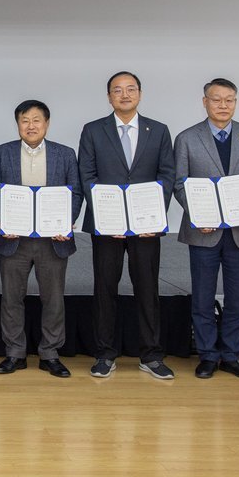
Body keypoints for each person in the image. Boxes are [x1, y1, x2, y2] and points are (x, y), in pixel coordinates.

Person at [78, 71, 176, 379]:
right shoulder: (93, 130)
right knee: (104, 288)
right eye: (117, 90)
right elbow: (87, 176)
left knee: (147, 289)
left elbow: (167, 175)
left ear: (140, 94)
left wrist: (154, 217)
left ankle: (151, 355)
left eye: (130, 89)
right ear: (109, 97)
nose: (125, 95)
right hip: (107, 227)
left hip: (145, 227)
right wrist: (108, 218)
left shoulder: (158, 130)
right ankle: (105, 354)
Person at [173, 79, 239, 380]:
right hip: (203, 231)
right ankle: (207, 355)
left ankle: (231, 355)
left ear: (236, 102)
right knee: (202, 297)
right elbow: (179, 184)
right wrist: (198, 214)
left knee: (238, 297)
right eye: (216, 99)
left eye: (229, 100)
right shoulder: (187, 138)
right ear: (205, 102)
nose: (223, 105)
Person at [0, 100, 82, 378]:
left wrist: (66, 222)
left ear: (47, 124)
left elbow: (75, 193)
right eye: (25, 120)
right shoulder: (2, 152)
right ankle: (14, 353)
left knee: (53, 299)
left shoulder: (65, 154)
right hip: (13, 239)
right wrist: (2, 220)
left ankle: (50, 353)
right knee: (11, 298)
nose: (31, 125)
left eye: (36, 120)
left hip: (52, 240)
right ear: (18, 124)